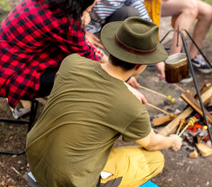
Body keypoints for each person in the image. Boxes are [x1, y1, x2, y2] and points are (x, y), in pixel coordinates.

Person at [26, 17, 183, 187]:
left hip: (36, 157)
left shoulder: (72, 62)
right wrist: (173, 140)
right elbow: (153, 144)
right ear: (140, 66)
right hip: (69, 179)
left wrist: (124, 86)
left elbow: (99, 82)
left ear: (112, 47)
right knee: (155, 159)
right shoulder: (131, 107)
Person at [0, 0, 105, 109]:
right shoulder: (62, 21)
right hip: (9, 75)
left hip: (6, 58)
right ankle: (63, 110)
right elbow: (87, 54)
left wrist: (83, 16)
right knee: (78, 68)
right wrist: (114, 66)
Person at [85, 0, 165, 81]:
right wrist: (82, 32)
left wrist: (156, 55)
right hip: (87, 29)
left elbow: (144, 18)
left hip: (111, 30)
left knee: (131, 12)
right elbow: (70, 9)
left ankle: (122, 60)